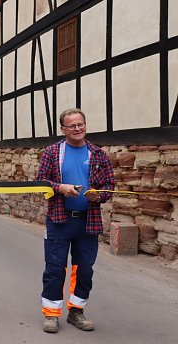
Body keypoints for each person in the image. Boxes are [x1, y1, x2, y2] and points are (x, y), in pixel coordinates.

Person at [36, 108, 115, 333]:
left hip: (88, 222)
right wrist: (60, 188)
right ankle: (51, 314)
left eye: (81, 124)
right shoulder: (53, 152)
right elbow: (41, 182)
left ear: (85, 126)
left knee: (84, 269)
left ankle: (76, 311)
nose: (78, 128)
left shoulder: (98, 154)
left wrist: (99, 196)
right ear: (63, 129)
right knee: (54, 267)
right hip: (59, 221)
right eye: (72, 125)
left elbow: (109, 186)